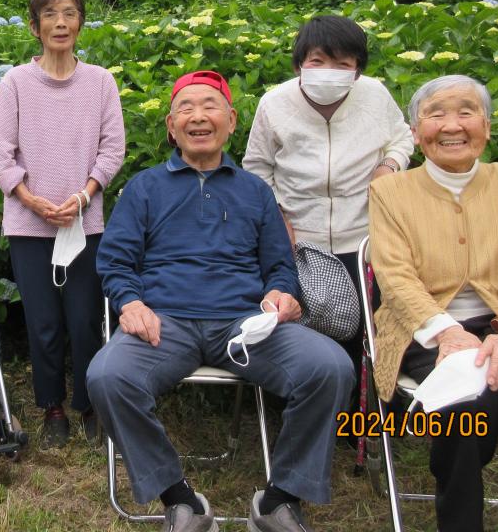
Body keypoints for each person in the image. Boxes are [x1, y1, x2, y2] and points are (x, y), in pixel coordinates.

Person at [87, 71, 353, 532]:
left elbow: (280, 267)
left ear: (230, 121)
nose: (198, 116)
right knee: (107, 377)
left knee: (331, 367)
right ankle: (182, 500)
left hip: (245, 326)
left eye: (209, 106)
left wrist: (283, 295)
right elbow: (114, 262)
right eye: (186, 108)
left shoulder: (254, 190)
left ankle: (278, 500)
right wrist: (129, 303)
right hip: (165, 324)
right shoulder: (145, 189)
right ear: (171, 127)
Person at [368, 74, 498, 532]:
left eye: (466, 111)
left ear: (487, 127)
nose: (452, 125)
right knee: (463, 396)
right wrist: (449, 333)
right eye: (436, 114)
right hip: (424, 330)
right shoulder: (389, 192)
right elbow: (395, 276)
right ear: (416, 133)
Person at [0, 0, 125, 447]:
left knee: (85, 317)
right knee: (43, 321)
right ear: (35, 26)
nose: (60, 23)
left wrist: (84, 196)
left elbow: (112, 149)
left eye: (69, 13)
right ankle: (52, 408)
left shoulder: (101, 82)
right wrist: (29, 199)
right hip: (29, 223)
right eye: (50, 14)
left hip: (84, 221)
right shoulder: (16, 83)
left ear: (81, 22)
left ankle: (87, 404)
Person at [243, 14, 413, 370]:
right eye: (318, 61)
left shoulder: (375, 95)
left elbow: (402, 137)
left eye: (342, 63)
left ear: (358, 70)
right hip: (302, 239)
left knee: (370, 329)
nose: (328, 71)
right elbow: (257, 167)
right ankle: (311, 398)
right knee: (313, 325)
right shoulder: (274, 104)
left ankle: (366, 410)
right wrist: (278, 217)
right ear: (299, 64)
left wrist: (389, 166)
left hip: (364, 235)